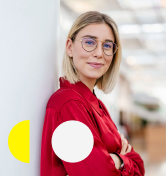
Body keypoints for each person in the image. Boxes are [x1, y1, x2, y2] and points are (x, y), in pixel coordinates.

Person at [40, 11, 145, 176]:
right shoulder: (67, 104)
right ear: (69, 47)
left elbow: (139, 165)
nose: (99, 53)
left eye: (107, 45)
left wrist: (116, 161)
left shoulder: (96, 104)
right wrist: (123, 159)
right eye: (89, 42)